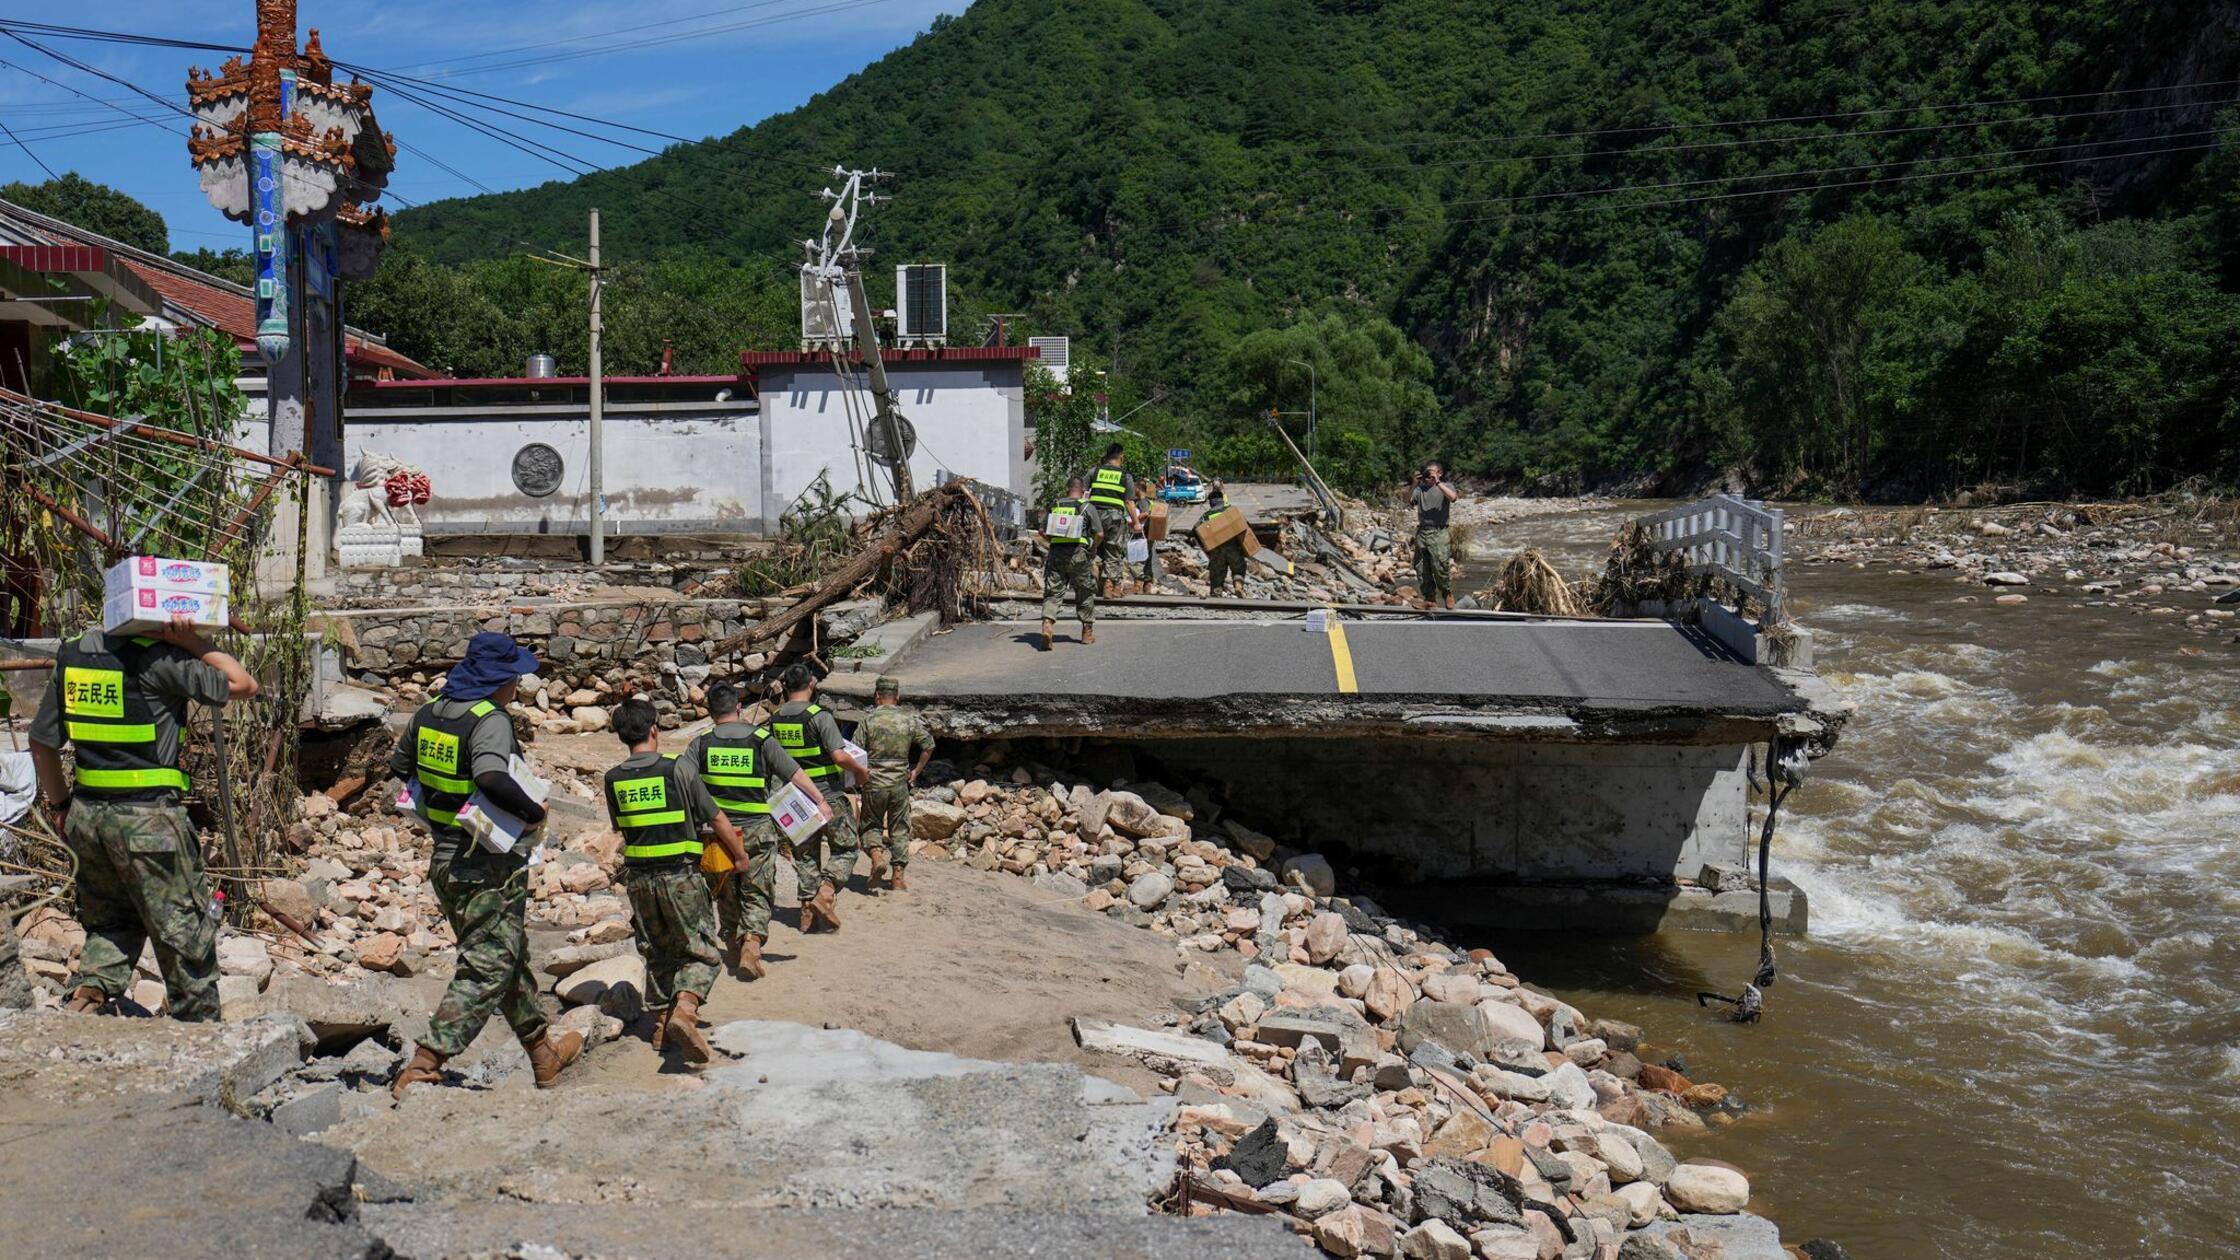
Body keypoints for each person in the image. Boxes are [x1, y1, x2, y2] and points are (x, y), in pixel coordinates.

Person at [28, 616, 257, 1022]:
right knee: (184, 937)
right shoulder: (160, 659)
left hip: (88, 819)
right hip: (149, 823)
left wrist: (61, 807)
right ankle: (202, 1039)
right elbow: (242, 683)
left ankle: (83, 1009)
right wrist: (193, 641)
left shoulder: (76, 652)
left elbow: (42, 742)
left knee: (111, 922)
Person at [388, 632, 583, 1097]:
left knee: (505, 953)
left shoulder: (428, 713)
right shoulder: (489, 719)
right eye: (513, 675)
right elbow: (492, 776)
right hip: (485, 863)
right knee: (489, 965)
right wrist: (533, 812)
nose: (518, 683)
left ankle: (544, 1055)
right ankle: (426, 1061)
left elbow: (401, 767)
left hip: (445, 857)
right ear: (498, 679)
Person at [603, 697, 746, 1064]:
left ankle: (661, 1026)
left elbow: (623, 828)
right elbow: (716, 819)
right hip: (680, 876)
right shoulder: (678, 769)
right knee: (703, 953)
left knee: (658, 950)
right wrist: (740, 856)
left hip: (638, 882)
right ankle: (686, 1009)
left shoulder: (613, 779)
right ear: (655, 729)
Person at [684, 681, 830, 979]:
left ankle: (733, 946)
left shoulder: (700, 743)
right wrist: (820, 800)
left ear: (710, 712)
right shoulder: (762, 739)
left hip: (717, 835)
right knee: (758, 891)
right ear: (739, 707)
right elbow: (794, 773)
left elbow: (683, 785)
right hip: (758, 831)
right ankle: (752, 943)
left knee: (726, 892)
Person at [772, 663, 868, 932]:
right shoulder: (819, 716)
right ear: (811, 684)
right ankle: (825, 893)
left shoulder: (776, 718)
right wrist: (861, 771)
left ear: (785, 687)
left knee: (806, 855)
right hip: (828, 795)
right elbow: (838, 756)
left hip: (795, 798)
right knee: (847, 848)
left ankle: (806, 913)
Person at [857, 675, 934, 893]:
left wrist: (861, 774)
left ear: (876, 697)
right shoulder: (909, 720)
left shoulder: (868, 720)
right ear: (897, 697)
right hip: (900, 783)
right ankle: (898, 877)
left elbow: (853, 750)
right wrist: (916, 771)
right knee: (899, 829)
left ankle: (876, 856)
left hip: (874, 783)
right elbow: (928, 745)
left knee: (870, 825)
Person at [1040, 473, 1102, 650]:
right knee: (1085, 591)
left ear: (1067, 489)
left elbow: (1043, 531)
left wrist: (1053, 543)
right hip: (1079, 554)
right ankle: (1087, 633)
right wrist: (1093, 547)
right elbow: (1099, 534)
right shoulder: (1087, 506)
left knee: (1053, 592)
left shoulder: (1056, 504)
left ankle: (1047, 624)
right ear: (1083, 491)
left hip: (1056, 554)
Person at [1087, 442, 1138, 598]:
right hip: (1114, 517)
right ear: (1121, 457)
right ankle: (1108, 586)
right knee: (1113, 550)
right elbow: (1129, 502)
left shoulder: (1094, 472)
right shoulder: (1125, 476)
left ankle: (1094, 568)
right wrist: (1136, 522)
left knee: (1093, 546)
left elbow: (1080, 491)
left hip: (1094, 515)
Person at [1409, 461, 1459, 610]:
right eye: (1427, 472)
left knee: (1440, 566)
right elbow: (1407, 501)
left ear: (1440, 473)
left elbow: (1453, 497)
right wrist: (1413, 484)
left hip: (1439, 532)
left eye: (1432, 472)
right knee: (1421, 567)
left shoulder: (1446, 486)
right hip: (1422, 531)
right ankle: (1430, 599)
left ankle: (1447, 594)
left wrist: (1437, 483)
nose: (1428, 475)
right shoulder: (1420, 490)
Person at [1199, 481, 1250, 597]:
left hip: (1217, 550)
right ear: (1222, 499)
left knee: (1217, 576)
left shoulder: (1206, 515)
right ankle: (1238, 585)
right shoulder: (1231, 510)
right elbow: (1244, 525)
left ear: (1211, 502)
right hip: (1233, 547)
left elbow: (1197, 531)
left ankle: (1216, 597)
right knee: (1238, 569)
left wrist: (1207, 549)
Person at [1133, 476, 1164, 591]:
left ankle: (1138, 587)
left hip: (1142, 535)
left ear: (1138, 489)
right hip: (1148, 535)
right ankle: (1147, 586)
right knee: (1147, 560)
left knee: (1138, 562)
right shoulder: (1150, 501)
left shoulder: (1142, 501)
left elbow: (1145, 514)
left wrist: (1133, 520)